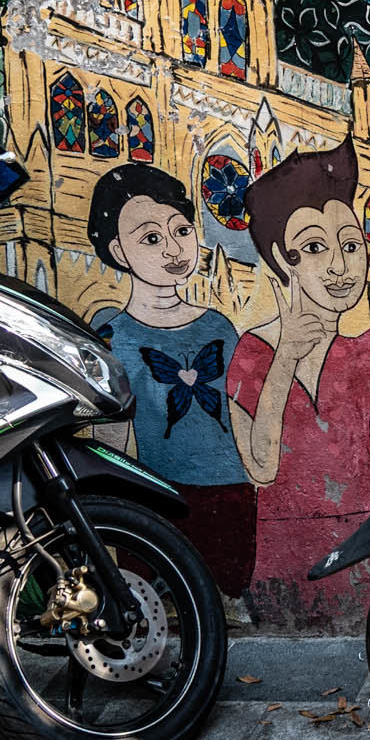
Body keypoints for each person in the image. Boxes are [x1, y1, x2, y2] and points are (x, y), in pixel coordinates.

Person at [226, 138, 370, 625]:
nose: (340, 266)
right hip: (285, 564)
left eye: (351, 245)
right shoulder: (252, 354)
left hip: (365, 557)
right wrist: (287, 356)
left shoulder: (357, 354)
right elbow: (261, 467)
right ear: (281, 258)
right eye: (315, 247)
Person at [85, 165, 253, 594]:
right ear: (119, 251)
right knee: (157, 603)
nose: (174, 249)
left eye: (181, 230)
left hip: (230, 492)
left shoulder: (219, 327)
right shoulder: (113, 334)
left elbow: (242, 413)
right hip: (155, 497)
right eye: (151, 239)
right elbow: (110, 440)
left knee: (227, 600)